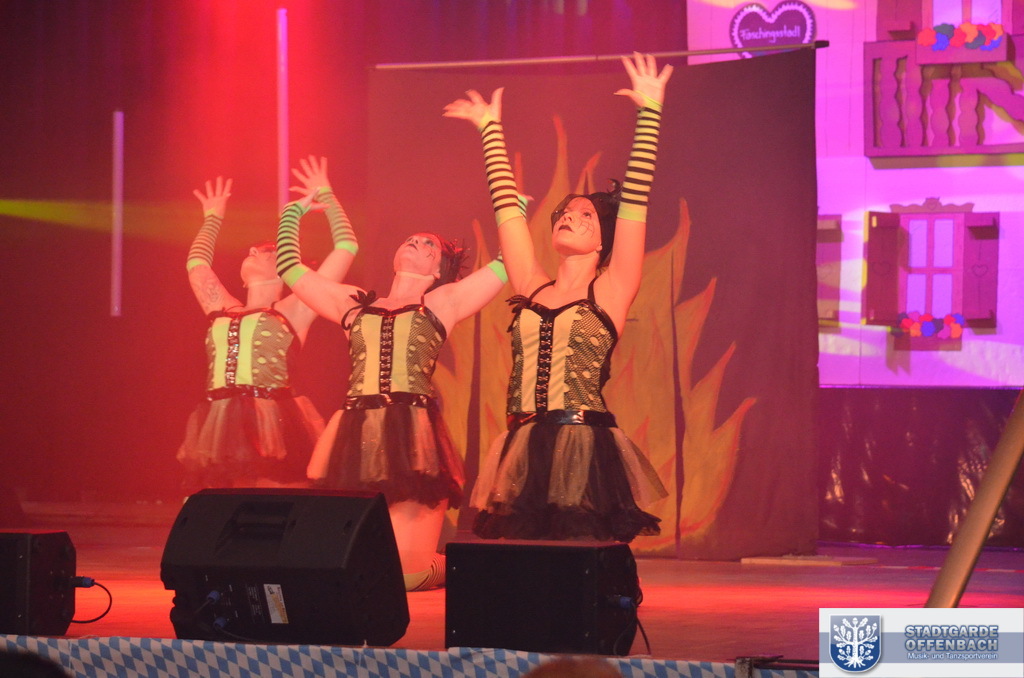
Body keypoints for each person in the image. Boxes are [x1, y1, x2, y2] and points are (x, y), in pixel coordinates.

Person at [443, 52, 671, 542]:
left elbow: (635, 201)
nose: (569, 216)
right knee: (524, 558)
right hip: (523, 441)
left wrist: (650, 113)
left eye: (586, 215)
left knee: (576, 551)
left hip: (583, 442)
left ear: (604, 239)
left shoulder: (611, 288)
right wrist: (490, 130)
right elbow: (507, 213)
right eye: (566, 212)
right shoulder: (532, 285)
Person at [275, 192, 508, 590]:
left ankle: (457, 566)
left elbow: (506, 264)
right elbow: (290, 269)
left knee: (408, 576)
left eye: (428, 243)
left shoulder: (444, 300)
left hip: (412, 436)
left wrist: (511, 210)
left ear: (440, 268)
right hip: (355, 433)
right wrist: (294, 212)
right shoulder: (352, 303)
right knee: (350, 570)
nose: (415, 242)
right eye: (410, 239)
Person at [177, 157, 357, 492]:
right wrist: (212, 218)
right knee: (226, 504)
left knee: (273, 498)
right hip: (219, 422)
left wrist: (327, 197)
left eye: (264, 250)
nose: (253, 251)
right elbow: (197, 264)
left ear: (285, 266)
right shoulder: (221, 307)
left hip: (277, 422)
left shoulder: (296, 307)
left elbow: (346, 248)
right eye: (253, 249)